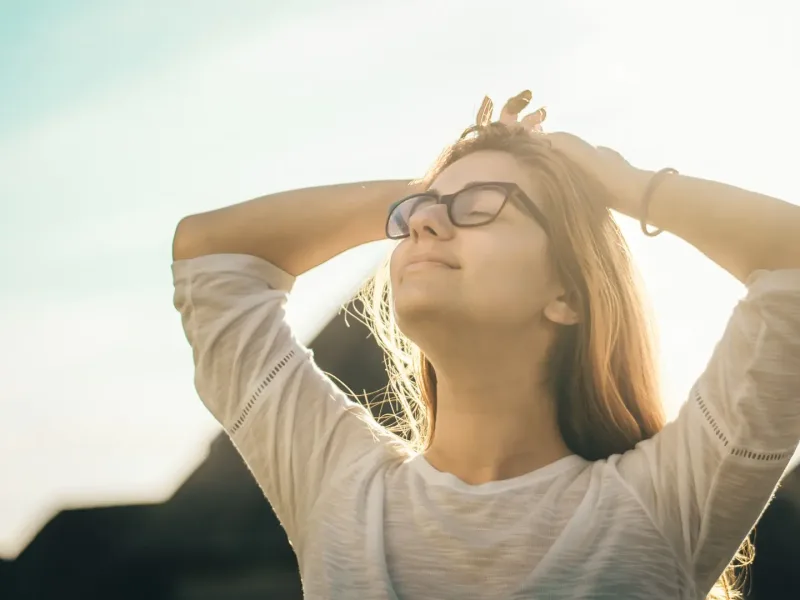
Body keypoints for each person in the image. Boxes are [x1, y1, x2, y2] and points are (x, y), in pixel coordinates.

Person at [171, 90, 800, 600]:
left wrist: (623, 184)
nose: (421, 222)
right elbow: (212, 254)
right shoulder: (338, 485)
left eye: (482, 207)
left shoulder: (664, 503)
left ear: (569, 294)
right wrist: (430, 186)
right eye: (415, 213)